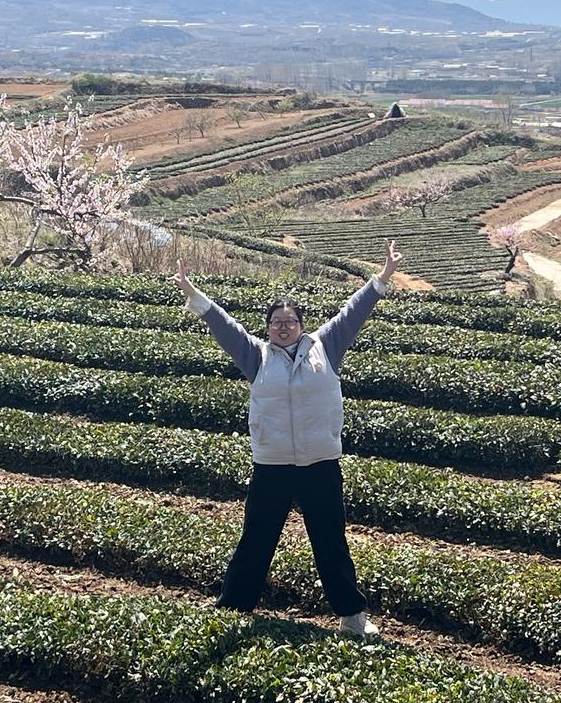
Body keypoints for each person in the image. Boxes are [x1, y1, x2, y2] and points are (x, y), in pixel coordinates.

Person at [172, 241, 403, 637]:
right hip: (273, 465)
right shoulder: (256, 356)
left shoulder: (326, 347)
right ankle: (233, 607)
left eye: (290, 321)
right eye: (276, 321)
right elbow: (225, 326)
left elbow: (352, 313)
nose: (283, 326)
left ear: (301, 325)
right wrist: (195, 296)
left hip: (319, 464)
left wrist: (380, 278)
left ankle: (352, 616)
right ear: (268, 328)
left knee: (330, 540)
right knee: (257, 538)